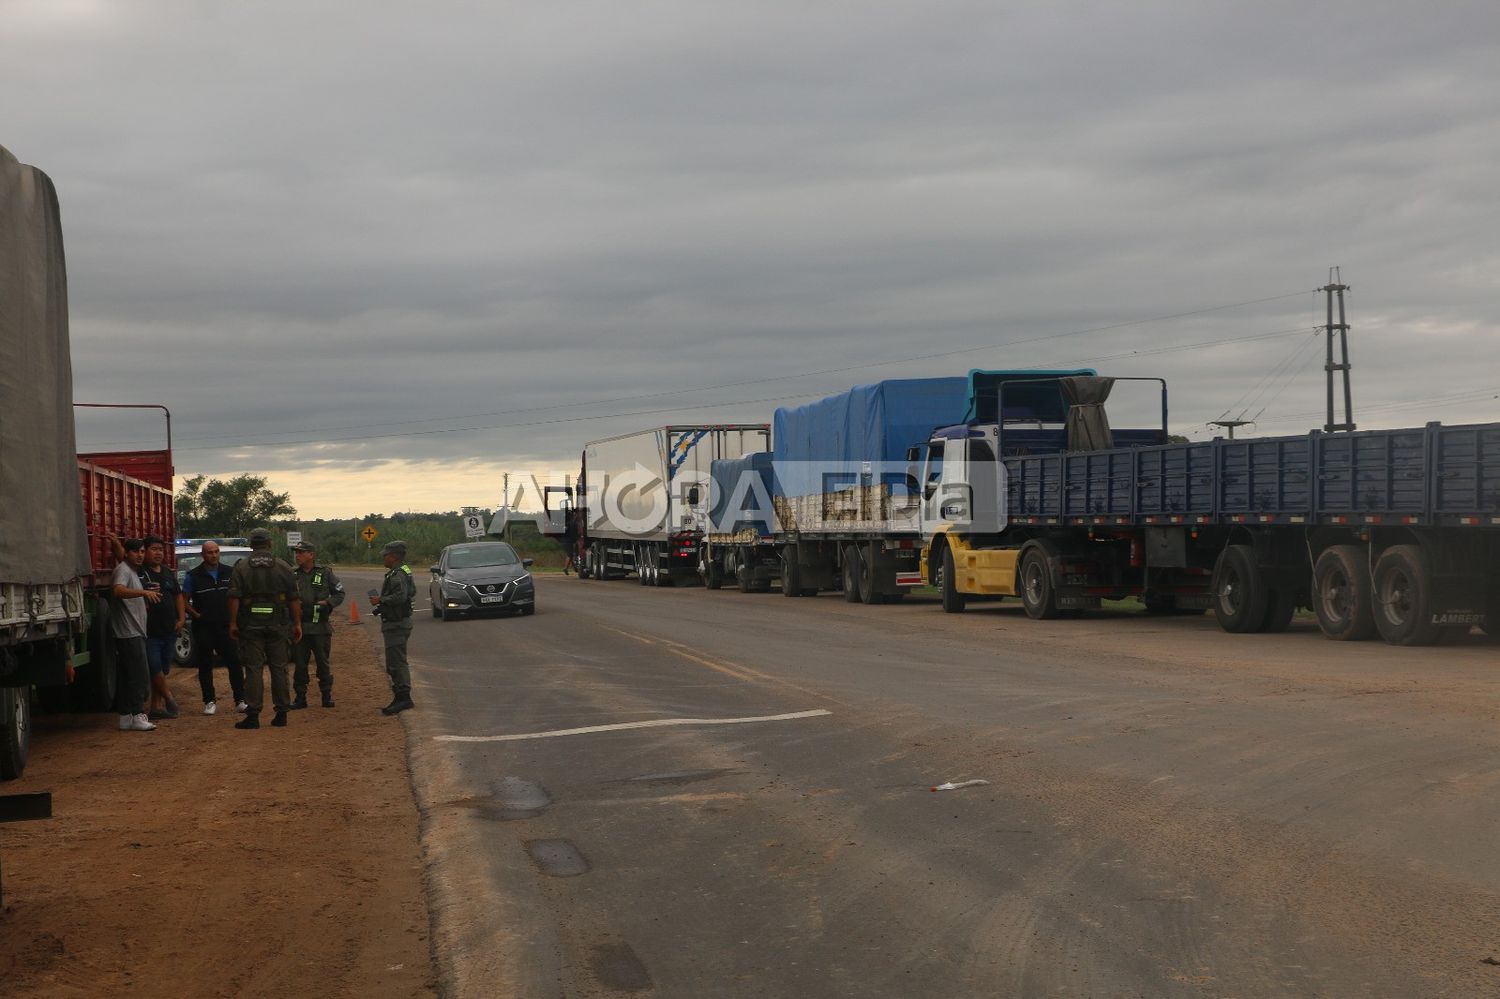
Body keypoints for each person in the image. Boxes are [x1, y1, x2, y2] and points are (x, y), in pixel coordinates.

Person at [227, 528, 302, 730]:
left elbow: (234, 598)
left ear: (252, 545)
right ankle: (282, 713)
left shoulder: (242, 567)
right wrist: (297, 623)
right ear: (269, 543)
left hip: (251, 625)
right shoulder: (284, 567)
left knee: (254, 670)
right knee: (279, 668)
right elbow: (294, 599)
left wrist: (233, 623)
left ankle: (253, 715)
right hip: (278, 624)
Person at [182, 540, 247, 715]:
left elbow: (237, 597)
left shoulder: (230, 572)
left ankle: (240, 700)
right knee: (205, 664)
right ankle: (209, 701)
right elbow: (183, 600)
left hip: (226, 626)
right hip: (204, 627)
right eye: (210, 552)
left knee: (234, 661)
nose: (214, 555)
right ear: (203, 555)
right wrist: (196, 615)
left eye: (216, 551)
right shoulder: (193, 576)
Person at [109, 537, 158, 732]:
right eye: (135, 551)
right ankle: (138, 714)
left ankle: (126, 716)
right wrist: (144, 593)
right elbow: (118, 591)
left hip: (133, 632)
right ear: (126, 553)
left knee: (127, 677)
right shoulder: (123, 570)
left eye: (142, 551)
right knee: (139, 677)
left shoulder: (132, 571)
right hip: (129, 633)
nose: (140, 555)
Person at [290, 540, 345, 709]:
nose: (297, 555)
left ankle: (326, 696)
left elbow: (340, 593)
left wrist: (328, 603)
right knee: (300, 664)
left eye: (301, 552)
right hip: (300, 627)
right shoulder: (292, 574)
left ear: (311, 555)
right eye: (296, 552)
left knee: (322, 662)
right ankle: (300, 697)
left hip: (320, 627)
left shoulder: (325, 573)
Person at [137, 536, 183, 720]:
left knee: (163, 668)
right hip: (150, 630)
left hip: (169, 630)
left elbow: (178, 596)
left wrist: (181, 618)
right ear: (144, 551)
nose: (158, 553)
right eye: (153, 549)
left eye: (160, 549)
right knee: (153, 665)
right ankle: (169, 698)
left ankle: (156, 707)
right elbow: (123, 558)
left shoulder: (167, 572)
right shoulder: (140, 572)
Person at [370, 539, 416, 715]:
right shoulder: (400, 572)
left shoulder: (397, 575)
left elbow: (400, 597)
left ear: (394, 557)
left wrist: (380, 600)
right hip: (397, 623)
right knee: (395, 662)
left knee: (396, 663)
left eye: (386, 555)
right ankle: (400, 696)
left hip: (397, 624)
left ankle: (404, 698)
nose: (384, 558)